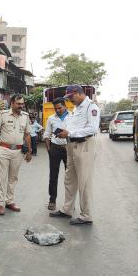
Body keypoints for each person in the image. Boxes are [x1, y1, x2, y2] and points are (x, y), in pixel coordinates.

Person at [50, 85, 100, 225]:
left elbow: (92, 128)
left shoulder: (91, 107)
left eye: (71, 97)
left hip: (84, 145)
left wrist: (70, 133)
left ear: (79, 94)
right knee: (69, 179)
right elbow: (74, 126)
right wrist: (65, 133)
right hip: (71, 145)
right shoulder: (76, 108)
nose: (70, 100)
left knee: (84, 182)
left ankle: (86, 215)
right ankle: (67, 209)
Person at [0, 94, 32, 215]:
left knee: (13, 178)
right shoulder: (3, 114)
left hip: (18, 151)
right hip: (4, 150)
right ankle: (0, 203)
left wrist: (29, 151)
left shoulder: (25, 116)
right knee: (2, 177)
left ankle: (9, 201)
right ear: (12, 103)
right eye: (18, 103)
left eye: (22, 103)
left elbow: (27, 134)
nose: (21, 106)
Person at [43, 98, 71, 210]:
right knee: (53, 176)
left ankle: (69, 202)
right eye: (56, 108)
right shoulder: (51, 118)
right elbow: (46, 134)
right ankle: (52, 200)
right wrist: (49, 149)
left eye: (60, 107)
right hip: (55, 148)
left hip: (69, 149)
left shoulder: (72, 117)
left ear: (65, 106)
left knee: (70, 177)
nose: (58, 110)